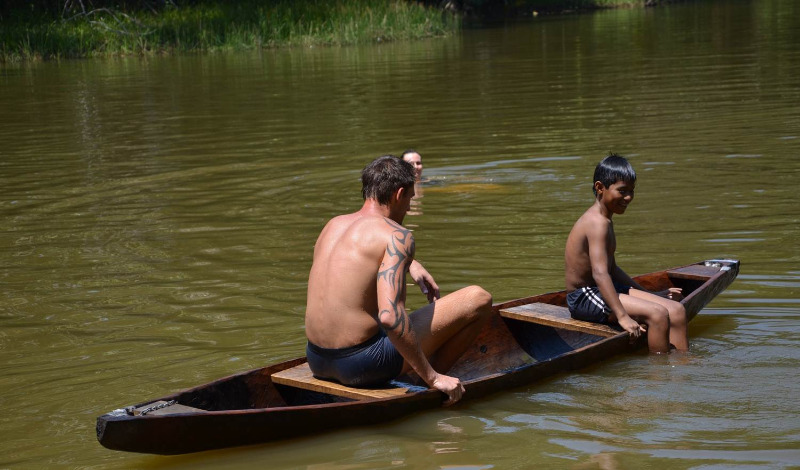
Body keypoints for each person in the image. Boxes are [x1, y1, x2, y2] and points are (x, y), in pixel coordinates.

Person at [305, 155, 492, 404]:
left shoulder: (332, 225)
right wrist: (433, 377)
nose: (409, 208)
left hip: (317, 360)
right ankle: (428, 381)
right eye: (410, 199)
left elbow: (354, 268)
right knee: (478, 298)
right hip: (362, 365)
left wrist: (410, 264)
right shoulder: (397, 236)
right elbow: (390, 317)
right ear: (399, 193)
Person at [564, 153, 688, 353]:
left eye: (631, 191)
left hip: (603, 287)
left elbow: (611, 269)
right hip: (583, 297)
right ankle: (661, 378)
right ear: (599, 188)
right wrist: (622, 316)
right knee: (657, 315)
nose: (628, 197)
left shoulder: (605, 219)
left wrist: (652, 295)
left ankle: (684, 366)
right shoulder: (597, 223)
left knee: (676, 310)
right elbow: (600, 274)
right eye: (622, 191)